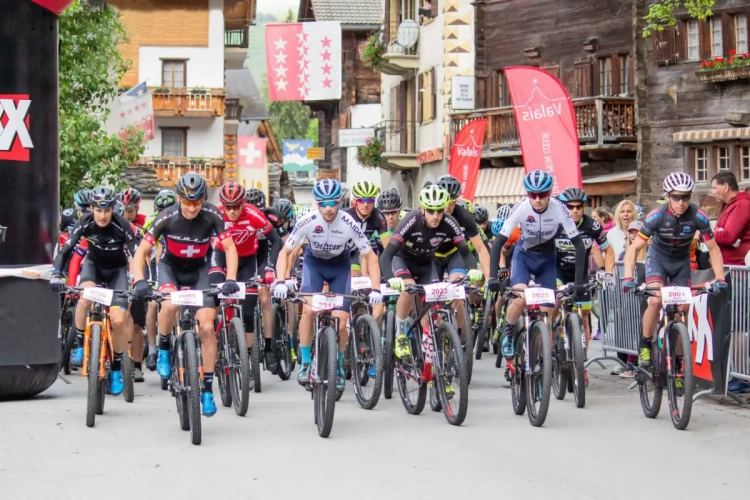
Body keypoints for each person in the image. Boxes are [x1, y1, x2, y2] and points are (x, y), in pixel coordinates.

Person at [131, 173, 240, 417]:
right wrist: (139, 280)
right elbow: (142, 251)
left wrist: (231, 279)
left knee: (207, 327)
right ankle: (164, 347)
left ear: (203, 200)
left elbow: (230, 248)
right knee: (169, 305)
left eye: (197, 202)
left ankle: (207, 391)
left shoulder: (212, 214)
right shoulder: (166, 216)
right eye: (187, 202)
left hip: (199, 270)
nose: (192, 208)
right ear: (179, 198)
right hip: (170, 268)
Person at [272, 179, 382, 391]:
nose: (329, 208)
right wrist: (280, 281)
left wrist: (376, 288)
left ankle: (338, 365)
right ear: (317, 203)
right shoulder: (307, 221)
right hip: (314, 265)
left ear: (340, 202)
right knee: (309, 311)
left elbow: (370, 256)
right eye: (323, 203)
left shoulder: (349, 222)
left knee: (341, 322)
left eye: (333, 203)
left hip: (340, 267)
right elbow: (285, 252)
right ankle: (306, 362)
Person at [622, 172, 727, 368]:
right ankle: (645, 343)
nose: (681, 202)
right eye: (676, 197)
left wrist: (720, 279)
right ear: (667, 196)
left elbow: (713, 249)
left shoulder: (698, 216)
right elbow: (634, 249)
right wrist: (628, 277)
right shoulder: (656, 216)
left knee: (682, 311)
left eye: (686, 197)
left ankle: (678, 364)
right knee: (655, 300)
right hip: (658, 260)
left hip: (681, 263)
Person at [379, 185, 481, 382]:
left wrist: (473, 269)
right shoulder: (412, 220)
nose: (435, 216)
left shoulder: (449, 222)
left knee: (432, 316)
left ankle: (433, 361)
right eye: (431, 211)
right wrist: (390, 277)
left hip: (427, 265)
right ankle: (401, 335)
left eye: (439, 211)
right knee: (409, 289)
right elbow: (387, 254)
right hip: (403, 260)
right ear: (423, 209)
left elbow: (466, 253)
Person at [488, 170, 588, 358]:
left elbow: (579, 245)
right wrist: (492, 276)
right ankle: (508, 333)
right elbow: (498, 243)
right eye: (532, 195)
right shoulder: (521, 207)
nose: (537, 199)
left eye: (542, 194)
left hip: (547, 259)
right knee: (520, 298)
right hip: (523, 257)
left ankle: (542, 359)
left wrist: (579, 282)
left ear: (549, 193)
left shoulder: (559, 208)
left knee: (547, 311)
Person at [49, 187, 138, 395]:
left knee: (118, 321)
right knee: (84, 299)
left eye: (107, 210)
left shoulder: (121, 225)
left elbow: (136, 253)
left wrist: (137, 279)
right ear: (91, 209)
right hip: (93, 267)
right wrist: (56, 274)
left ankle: (116, 368)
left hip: (117, 272)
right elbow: (65, 251)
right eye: (98, 210)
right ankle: (80, 346)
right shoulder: (84, 222)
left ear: (113, 209)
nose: (103, 215)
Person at [211, 182, 282, 372]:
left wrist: (269, 267)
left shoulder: (253, 215)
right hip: (222, 258)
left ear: (243, 203)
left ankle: (247, 356)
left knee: (249, 310)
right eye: (228, 207)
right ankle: (211, 338)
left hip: (248, 260)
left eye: (236, 207)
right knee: (212, 299)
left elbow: (276, 241)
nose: (232, 211)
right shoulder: (217, 214)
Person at [553, 187, 615, 386]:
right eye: (570, 207)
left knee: (584, 315)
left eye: (579, 207)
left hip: (581, 274)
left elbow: (608, 250)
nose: (575, 210)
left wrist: (608, 273)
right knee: (554, 304)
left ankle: (581, 364)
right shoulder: (555, 224)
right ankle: (548, 344)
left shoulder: (592, 225)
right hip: (558, 272)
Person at [711, 171, 750, 266]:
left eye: (715, 188)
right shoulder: (730, 205)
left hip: (738, 266)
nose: (713, 192)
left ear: (725, 187)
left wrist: (705, 234)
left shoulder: (741, 205)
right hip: (729, 264)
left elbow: (728, 236)